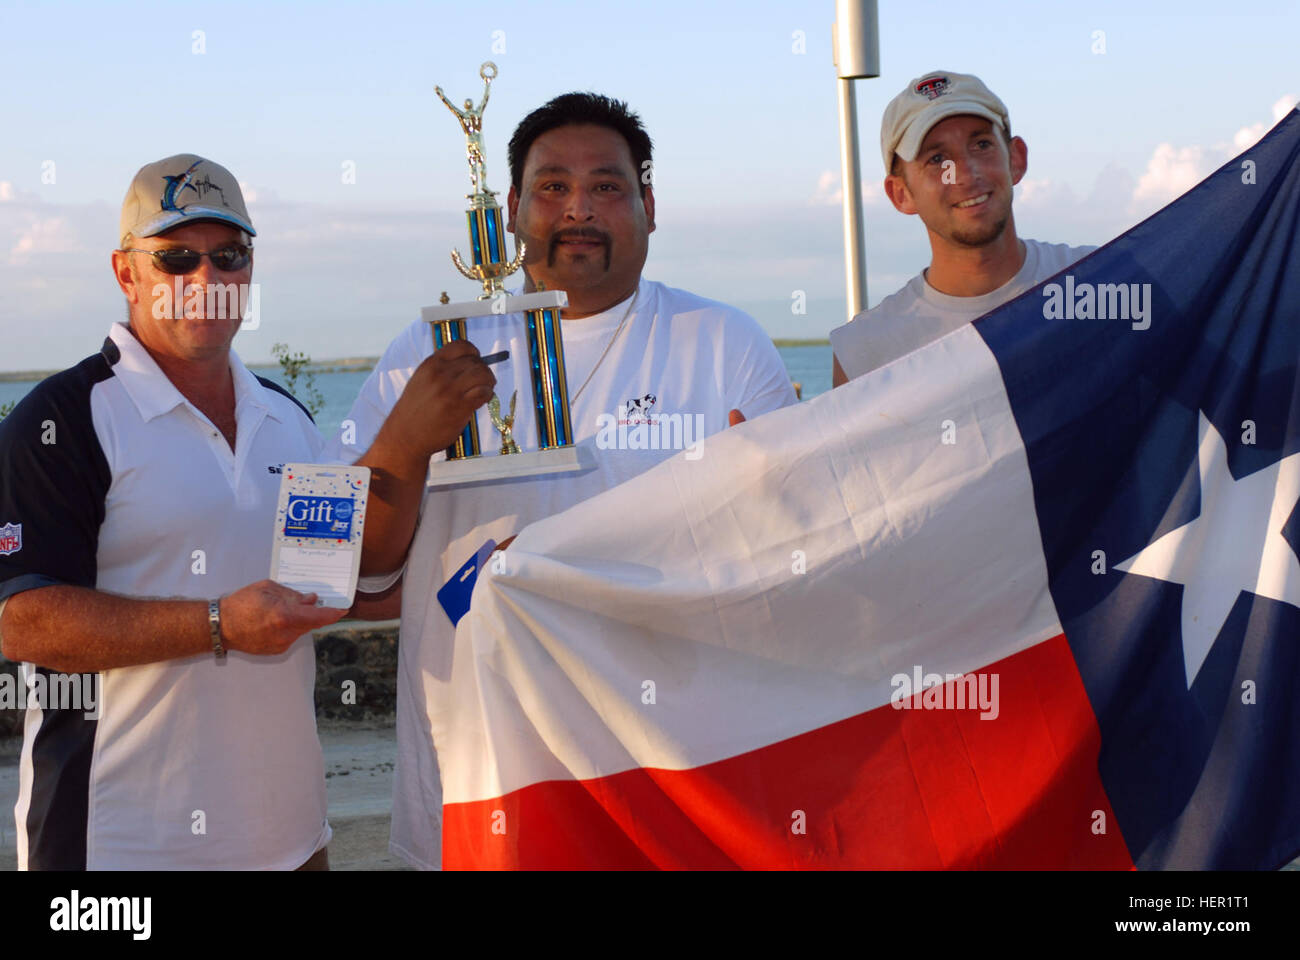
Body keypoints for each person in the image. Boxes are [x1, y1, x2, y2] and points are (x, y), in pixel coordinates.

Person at [337, 92, 798, 869]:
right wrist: (405, 442)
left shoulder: (723, 345)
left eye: (607, 186)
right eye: (552, 186)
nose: (578, 208)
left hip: (669, 767)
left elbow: (786, 555)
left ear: (649, 206)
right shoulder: (431, 349)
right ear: (511, 208)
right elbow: (353, 570)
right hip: (482, 775)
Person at [0, 154, 360, 870]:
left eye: (228, 256)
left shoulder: (287, 419)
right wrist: (219, 625)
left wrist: (485, 565)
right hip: (120, 844)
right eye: (175, 257)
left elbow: (343, 581)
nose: (207, 280)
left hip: (290, 839)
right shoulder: (63, 420)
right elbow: (21, 619)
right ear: (126, 271)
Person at [831, 71, 1097, 385]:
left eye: (982, 144)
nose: (965, 174)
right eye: (937, 158)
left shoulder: (1105, 281)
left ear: (1016, 159)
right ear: (900, 194)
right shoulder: (864, 353)